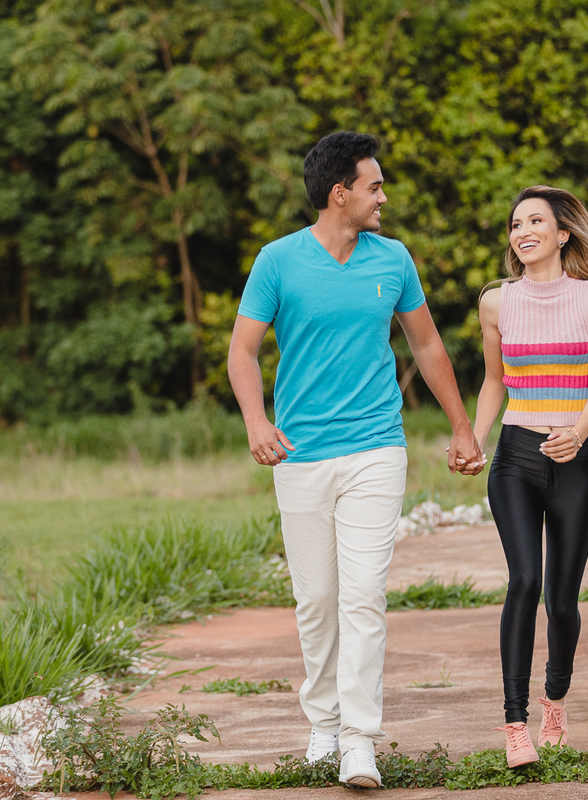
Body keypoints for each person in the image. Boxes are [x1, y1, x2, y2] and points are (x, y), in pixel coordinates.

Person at [227, 131, 484, 789]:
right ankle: (323, 720)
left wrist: (461, 425)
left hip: (376, 448)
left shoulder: (393, 259)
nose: (383, 196)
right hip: (301, 455)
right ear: (340, 194)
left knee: (364, 594)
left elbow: (426, 346)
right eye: (374, 185)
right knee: (317, 598)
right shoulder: (277, 262)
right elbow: (243, 351)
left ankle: (360, 741)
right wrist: (257, 420)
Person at [469, 185, 588, 768]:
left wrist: (579, 432)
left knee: (562, 602)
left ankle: (554, 700)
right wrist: (476, 438)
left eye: (535, 220)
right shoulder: (495, 302)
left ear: (563, 233)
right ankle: (515, 724)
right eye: (515, 223)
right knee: (524, 580)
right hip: (515, 457)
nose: (522, 231)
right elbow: (494, 382)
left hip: (575, 461)